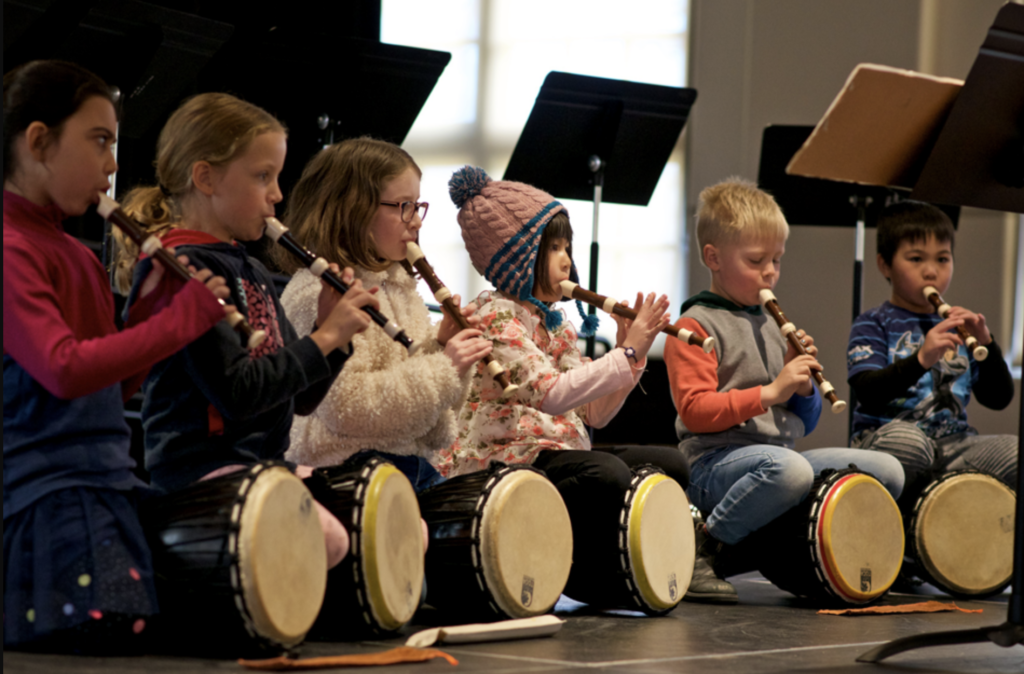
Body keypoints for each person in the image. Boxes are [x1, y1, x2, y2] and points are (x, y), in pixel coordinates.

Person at [3, 61, 229, 652]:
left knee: (218, 624)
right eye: (100, 141)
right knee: (120, 643)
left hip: (109, 484)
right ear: (38, 141)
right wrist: (178, 321)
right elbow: (64, 369)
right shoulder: (10, 249)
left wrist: (152, 320)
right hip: (47, 494)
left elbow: (113, 389)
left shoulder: (78, 256)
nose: (110, 165)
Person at [116, 93, 379, 569]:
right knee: (333, 541)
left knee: (388, 526)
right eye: (263, 176)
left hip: (262, 463)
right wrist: (322, 339)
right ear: (206, 177)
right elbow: (237, 393)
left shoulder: (250, 269)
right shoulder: (181, 269)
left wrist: (331, 334)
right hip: (201, 471)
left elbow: (297, 399)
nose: (278, 194)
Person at [437, 166, 691, 603]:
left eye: (567, 246)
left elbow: (595, 413)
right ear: (518, 259)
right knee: (606, 473)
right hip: (505, 460)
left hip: (557, 452)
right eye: (553, 247)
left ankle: (602, 564)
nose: (567, 259)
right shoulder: (495, 315)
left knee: (673, 463)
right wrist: (628, 351)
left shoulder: (554, 321)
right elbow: (552, 395)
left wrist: (631, 356)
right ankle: (572, 565)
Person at [665, 178, 905, 604]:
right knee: (789, 472)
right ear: (713, 257)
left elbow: (805, 424)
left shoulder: (774, 323)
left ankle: (826, 551)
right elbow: (697, 412)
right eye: (756, 260)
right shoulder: (693, 326)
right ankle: (705, 546)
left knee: (889, 471)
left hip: (777, 459)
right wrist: (771, 392)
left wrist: (804, 388)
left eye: (776, 260)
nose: (770, 272)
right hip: (711, 466)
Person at [278, 138, 491, 492]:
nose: (417, 222)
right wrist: (445, 368)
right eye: (404, 206)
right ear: (353, 210)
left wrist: (443, 346)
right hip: (347, 471)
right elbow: (349, 407)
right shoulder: (316, 293)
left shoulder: (400, 286)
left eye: (418, 205)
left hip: (410, 463)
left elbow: (433, 406)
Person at [847, 200, 1016, 497]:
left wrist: (988, 344)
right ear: (885, 264)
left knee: (1016, 454)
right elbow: (868, 392)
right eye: (915, 259)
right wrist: (922, 359)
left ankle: (939, 499)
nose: (931, 272)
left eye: (942, 259)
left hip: (954, 444)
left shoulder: (959, 326)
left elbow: (998, 398)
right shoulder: (873, 323)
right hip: (889, 441)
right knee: (909, 445)